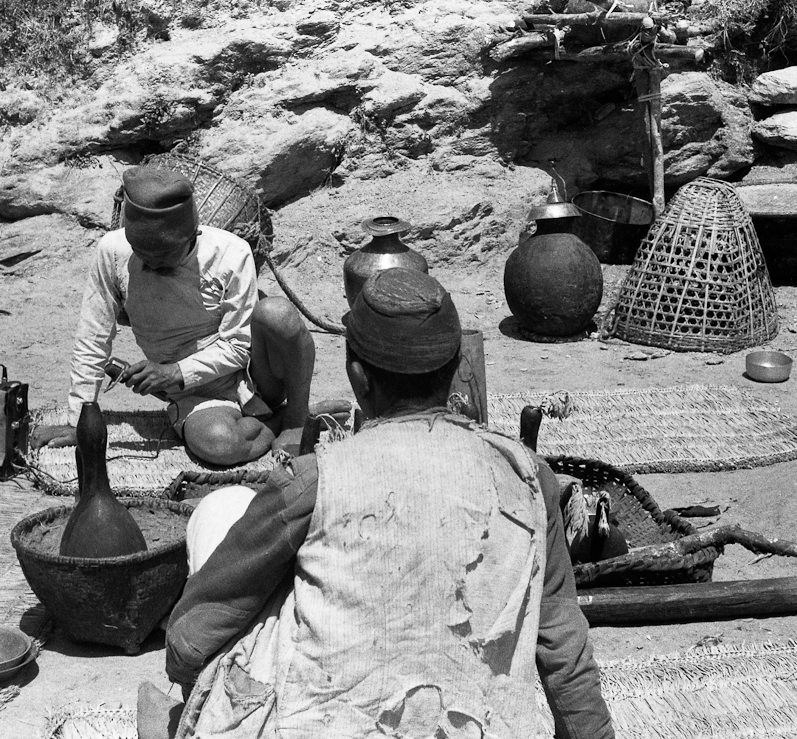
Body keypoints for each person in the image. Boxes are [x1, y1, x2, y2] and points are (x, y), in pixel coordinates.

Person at [147, 267, 614, 739]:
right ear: (454, 371)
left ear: (358, 380)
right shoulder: (528, 474)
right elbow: (563, 647)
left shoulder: (316, 477)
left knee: (223, 510)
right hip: (475, 726)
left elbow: (192, 634)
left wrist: (195, 689)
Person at [32, 165, 316, 464]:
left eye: (165, 256)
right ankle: (276, 421)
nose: (152, 264)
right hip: (196, 395)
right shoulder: (111, 251)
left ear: (192, 233)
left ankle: (296, 422)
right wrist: (80, 417)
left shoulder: (232, 252)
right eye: (142, 253)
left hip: (254, 375)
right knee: (220, 445)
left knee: (277, 313)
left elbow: (237, 346)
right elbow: (93, 337)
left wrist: (173, 371)